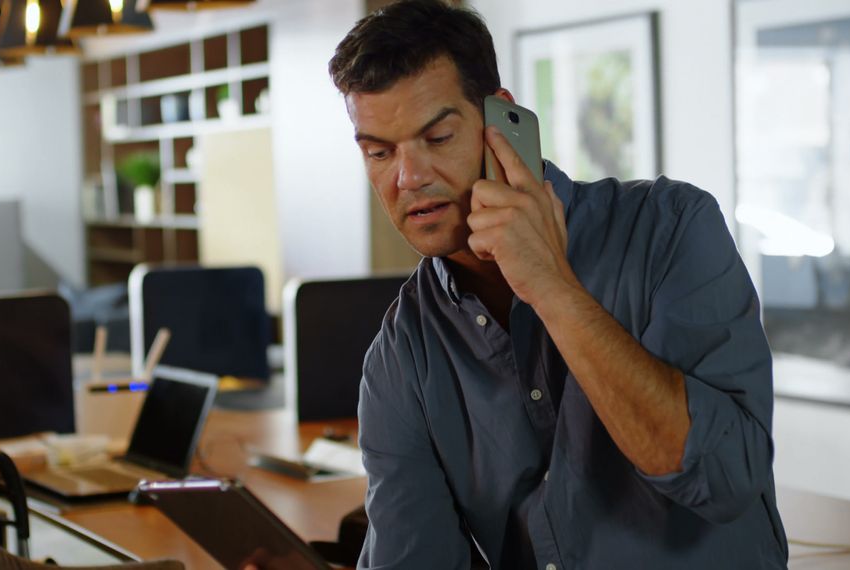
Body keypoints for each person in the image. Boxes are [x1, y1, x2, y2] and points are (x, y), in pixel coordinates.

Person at [328, 1, 787, 568]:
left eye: (438, 138)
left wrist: (551, 287)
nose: (408, 178)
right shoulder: (402, 354)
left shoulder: (669, 229)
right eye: (379, 151)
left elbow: (725, 479)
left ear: (500, 122)